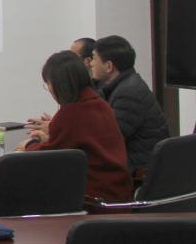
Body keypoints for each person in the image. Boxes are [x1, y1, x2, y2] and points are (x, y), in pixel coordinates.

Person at [21, 51, 132, 202]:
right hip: (119, 192)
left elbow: (47, 158)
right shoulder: (100, 104)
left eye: (48, 84)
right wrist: (48, 138)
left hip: (93, 199)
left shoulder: (71, 113)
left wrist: (29, 144)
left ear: (59, 85)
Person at [90, 35, 169, 171]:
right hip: (138, 159)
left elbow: (110, 140)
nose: (91, 63)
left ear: (109, 66)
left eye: (94, 58)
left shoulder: (128, 93)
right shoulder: (120, 85)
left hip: (139, 167)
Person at [26, 37, 97, 134]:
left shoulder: (84, 103)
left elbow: (75, 132)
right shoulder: (90, 98)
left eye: (73, 57)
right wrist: (55, 124)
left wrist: (54, 127)